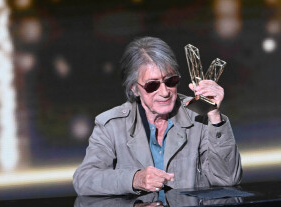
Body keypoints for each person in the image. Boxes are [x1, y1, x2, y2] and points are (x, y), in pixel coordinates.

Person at [73, 36, 242, 196]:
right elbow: (84, 180)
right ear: (134, 88)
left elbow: (227, 180)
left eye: (171, 81)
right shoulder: (111, 125)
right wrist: (134, 179)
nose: (164, 92)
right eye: (152, 85)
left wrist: (214, 115)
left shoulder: (199, 116)